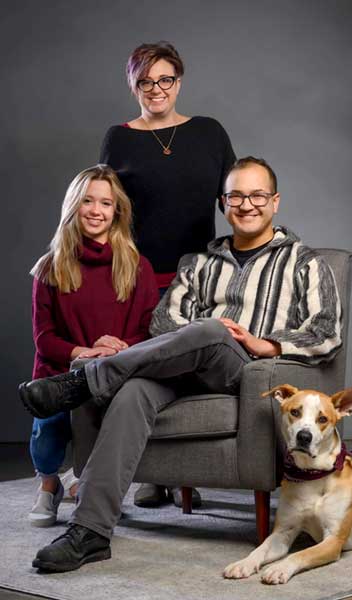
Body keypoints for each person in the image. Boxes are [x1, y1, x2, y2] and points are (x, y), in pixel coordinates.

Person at [19, 156, 342, 572]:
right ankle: (91, 532)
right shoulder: (199, 264)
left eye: (257, 195)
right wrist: (195, 335)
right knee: (135, 390)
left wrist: (264, 344)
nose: (246, 204)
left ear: (275, 201)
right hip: (180, 369)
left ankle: (85, 381)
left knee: (211, 331)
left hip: (244, 373)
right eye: (236, 196)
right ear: (223, 203)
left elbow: (326, 332)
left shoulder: (304, 263)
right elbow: (165, 322)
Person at [100, 40, 236, 509]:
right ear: (132, 84)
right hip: (137, 279)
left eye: (165, 80)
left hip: (200, 279)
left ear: (179, 81)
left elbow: (234, 199)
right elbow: (106, 207)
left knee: (190, 376)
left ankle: (187, 473)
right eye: (145, 81)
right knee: (143, 380)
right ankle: (152, 476)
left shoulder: (209, 132)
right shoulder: (119, 137)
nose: (156, 89)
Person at [27, 164, 158, 527]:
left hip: (114, 370)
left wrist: (114, 351)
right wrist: (83, 353)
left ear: (118, 211)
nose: (96, 211)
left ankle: (90, 484)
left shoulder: (137, 267)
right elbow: (44, 338)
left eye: (105, 203)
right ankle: (50, 484)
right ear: (74, 205)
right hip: (61, 371)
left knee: (105, 429)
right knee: (49, 427)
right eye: (87, 201)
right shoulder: (49, 267)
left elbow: (149, 332)